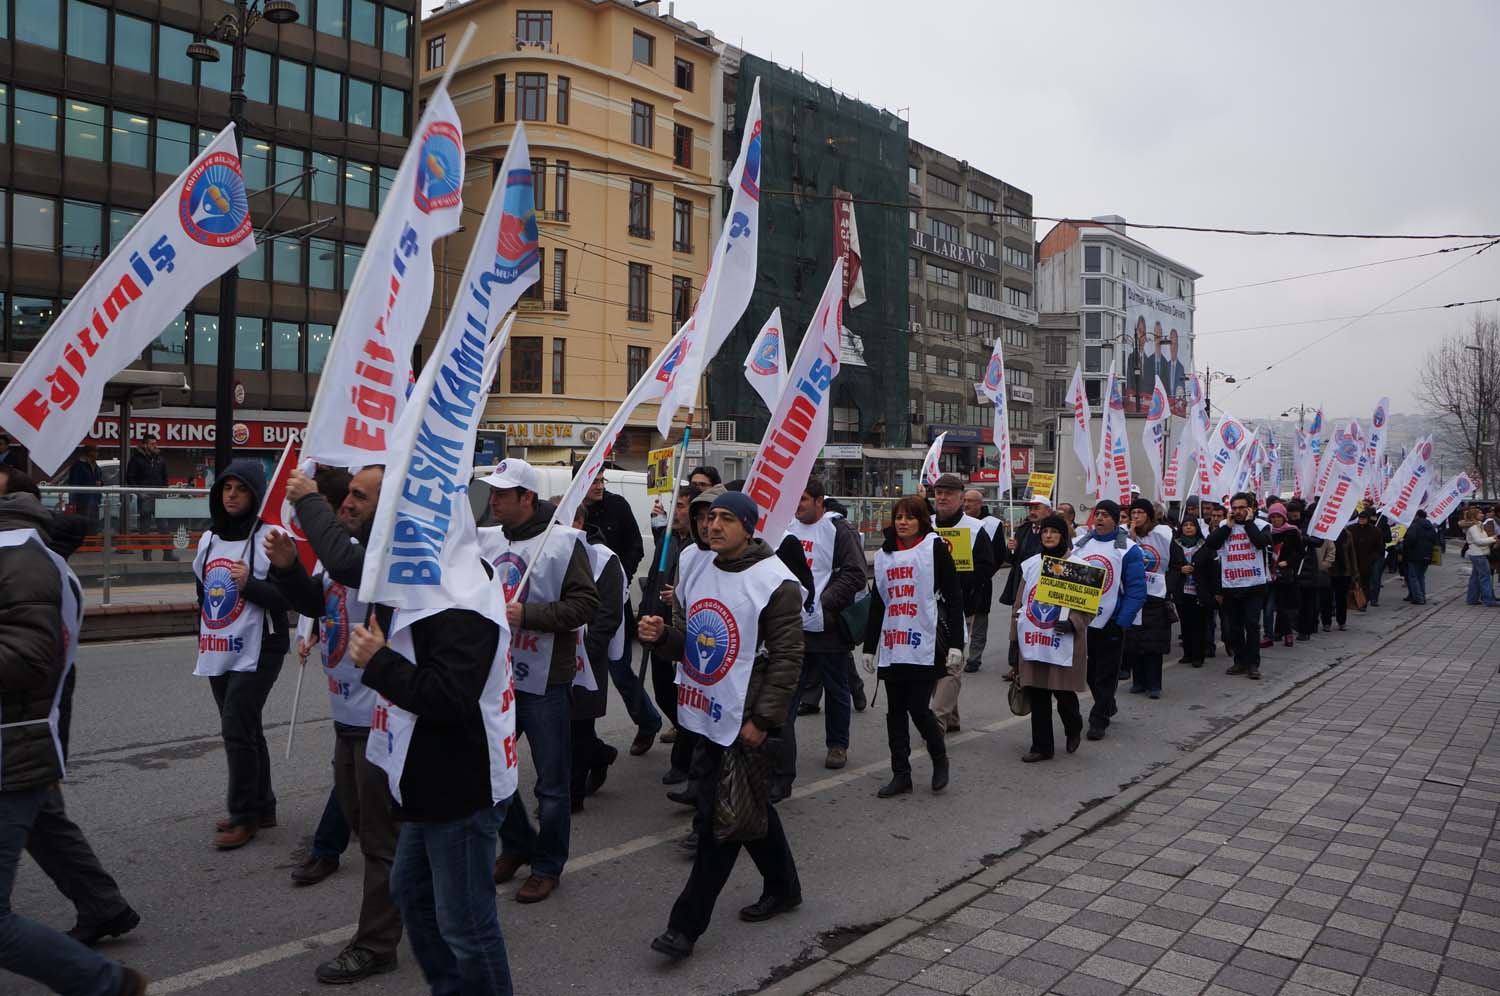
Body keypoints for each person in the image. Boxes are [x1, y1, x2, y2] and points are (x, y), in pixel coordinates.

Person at [638, 492, 803, 961]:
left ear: (748, 527)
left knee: (721, 821)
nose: (713, 526)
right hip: (707, 712)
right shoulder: (698, 569)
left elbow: (788, 659)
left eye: (726, 519)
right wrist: (663, 637)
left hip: (745, 719)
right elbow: (695, 643)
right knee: (749, 806)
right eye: (710, 518)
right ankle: (784, 887)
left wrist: (763, 720)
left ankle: (684, 928)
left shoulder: (775, 582)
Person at [349, 556, 514, 994]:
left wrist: (379, 662)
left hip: (462, 787)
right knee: (413, 894)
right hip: (429, 780)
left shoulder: (463, 594)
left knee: (467, 925)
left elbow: (448, 696)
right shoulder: (429, 575)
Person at [264, 465, 404, 983]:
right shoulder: (346, 552)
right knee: (372, 829)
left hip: (379, 722)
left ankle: (377, 944)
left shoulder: (387, 557)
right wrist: (287, 570)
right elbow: (319, 600)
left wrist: (308, 500)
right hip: (348, 718)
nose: (347, 502)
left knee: (380, 841)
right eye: (345, 494)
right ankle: (428, 902)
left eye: (359, 496)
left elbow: (348, 568)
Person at [17, 510, 142, 954]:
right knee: (42, 818)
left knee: (40, 815)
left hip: (22, 727)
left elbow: (48, 673)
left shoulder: (43, 576)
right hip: (26, 729)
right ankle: (102, 906)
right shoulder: (39, 568)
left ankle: (96, 957)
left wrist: (53, 750)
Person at [479, 459, 599, 904]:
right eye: (491, 492)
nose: (493, 501)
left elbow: (586, 605)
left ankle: (547, 865)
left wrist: (528, 614)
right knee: (492, 770)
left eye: (502, 494)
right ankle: (517, 844)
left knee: (551, 783)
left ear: (526, 498)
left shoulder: (563, 543)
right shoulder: (486, 539)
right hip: (497, 678)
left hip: (546, 680)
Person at [193, 459, 289, 849]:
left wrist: (250, 585)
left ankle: (243, 816)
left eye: (241, 489)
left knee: (236, 726)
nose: (232, 496)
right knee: (245, 727)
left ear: (256, 494)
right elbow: (202, 594)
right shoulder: (209, 539)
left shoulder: (271, 539)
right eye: (226, 488)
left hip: (261, 644)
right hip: (220, 646)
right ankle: (262, 806)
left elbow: (286, 598)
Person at [861, 496, 962, 796]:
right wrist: (869, 647)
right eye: (899, 517)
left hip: (924, 641)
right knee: (894, 712)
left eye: (910, 517)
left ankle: (939, 758)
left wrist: (956, 643)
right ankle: (901, 773)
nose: (903, 522)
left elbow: (954, 596)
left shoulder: (934, 548)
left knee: (918, 709)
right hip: (894, 643)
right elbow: (878, 603)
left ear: (922, 521)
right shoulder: (884, 556)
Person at [780, 479, 865, 780]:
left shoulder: (838, 529)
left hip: (827, 624)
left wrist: (823, 604)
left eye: (803, 499)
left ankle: (838, 745)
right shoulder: (786, 528)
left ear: (819, 501)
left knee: (836, 687)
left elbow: (855, 574)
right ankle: (780, 748)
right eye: (794, 498)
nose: (797, 505)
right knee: (787, 688)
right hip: (792, 624)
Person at [1012, 514, 1094, 761]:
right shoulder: (1030, 565)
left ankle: (1073, 726)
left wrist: (1073, 622)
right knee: (1038, 694)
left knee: (1063, 693)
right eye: (1045, 531)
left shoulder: (1078, 566)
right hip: (1034, 640)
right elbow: (1020, 604)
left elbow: (1089, 608)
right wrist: (1014, 641)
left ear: (1063, 536)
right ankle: (1042, 746)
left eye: (1054, 532)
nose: (1048, 536)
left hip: (1063, 640)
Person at [928, 473, 997, 731]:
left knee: (951, 663)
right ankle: (952, 716)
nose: (942, 498)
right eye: (939, 493)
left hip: (960, 606)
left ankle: (937, 720)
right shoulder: (926, 524)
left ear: (960, 498)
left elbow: (986, 567)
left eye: (949, 494)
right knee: (934, 661)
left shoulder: (975, 528)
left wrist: (956, 580)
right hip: (926, 607)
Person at [1074, 500, 1146, 740]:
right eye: (1097, 514)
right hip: (1083, 621)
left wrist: (1122, 620)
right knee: (1089, 672)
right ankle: (1107, 704)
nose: (1099, 518)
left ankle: (1098, 719)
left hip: (1111, 621)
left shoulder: (1128, 550)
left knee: (1106, 673)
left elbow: (1136, 589)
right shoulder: (1080, 545)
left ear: (1116, 520)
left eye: (1105, 515)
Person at [570, 504, 626, 811]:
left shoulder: (604, 559)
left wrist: (588, 652)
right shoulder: (549, 551)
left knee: (578, 725)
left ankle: (572, 795)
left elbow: (608, 615)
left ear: (580, 521)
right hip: (552, 656)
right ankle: (600, 754)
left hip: (586, 656)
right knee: (562, 726)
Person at [641, 489, 698, 771]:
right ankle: (683, 730)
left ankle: (689, 750)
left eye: (682, 507)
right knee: (663, 691)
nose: (676, 512)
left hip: (683, 630)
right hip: (660, 629)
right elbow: (655, 577)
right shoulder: (668, 539)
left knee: (685, 695)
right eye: (674, 506)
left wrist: (679, 594)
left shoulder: (699, 547)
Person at [1204, 492, 1271, 679]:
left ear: (1251, 508)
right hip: (1231, 585)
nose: (1238, 511)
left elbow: (1261, 543)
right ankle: (1240, 661)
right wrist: (1227, 527)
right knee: (1234, 627)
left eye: (1242, 508)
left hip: (1254, 585)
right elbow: (1211, 543)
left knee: (1252, 625)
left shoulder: (1261, 526)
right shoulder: (1225, 526)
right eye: (1235, 508)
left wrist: (1248, 524)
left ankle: (1253, 664)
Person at [1122, 498, 1179, 699]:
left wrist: (1168, 587)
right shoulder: (1125, 535)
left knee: (1153, 642)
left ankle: (1154, 684)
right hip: (1133, 595)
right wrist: (1130, 539)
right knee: (1135, 640)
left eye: (1140, 512)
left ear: (1149, 515)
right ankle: (1138, 681)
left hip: (1156, 596)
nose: (1136, 516)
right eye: (1133, 513)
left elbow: (1177, 564)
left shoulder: (1164, 534)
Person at [961, 489, 1006, 674]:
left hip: (981, 580)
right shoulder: (959, 521)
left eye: (970, 501)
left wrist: (984, 573)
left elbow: (999, 554)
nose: (966, 504)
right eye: (964, 500)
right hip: (960, 580)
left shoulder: (993, 524)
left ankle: (974, 658)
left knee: (979, 620)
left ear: (980, 503)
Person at [1174, 517, 1212, 667]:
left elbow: (1212, 568)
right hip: (1182, 591)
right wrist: (1180, 569)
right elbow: (1170, 565)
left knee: (1199, 625)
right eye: (1185, 525)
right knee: (1185, 624)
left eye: (1191, 525)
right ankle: (1188, 654)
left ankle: (1198, 656)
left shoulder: (1204, 545)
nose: (1188, 528)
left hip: (1199, 591)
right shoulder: (1175, 545)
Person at [1264, 503, 1303, 647]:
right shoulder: (1266, 531)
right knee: (1268, 609)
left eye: (1278, 516)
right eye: (1272, 517)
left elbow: (1301, 552)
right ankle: (1268, 635)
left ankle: (1288, 634)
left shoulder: (1292, 531)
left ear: (1284, 517)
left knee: (1284, 608)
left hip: (1285, 576)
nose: (1275, 520)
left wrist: (1288, 562)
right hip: (1269, 576)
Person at [124, 435, 168, 560]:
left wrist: (164, 491)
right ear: (145, 445)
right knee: (145, 527)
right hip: (145, 497)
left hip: (159, 496)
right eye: (152, 444)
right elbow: (130, 477)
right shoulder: (136, 459)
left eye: (155, 443)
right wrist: (140, 493)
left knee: (164, 526)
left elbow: (165, 477)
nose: (155, 446)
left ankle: (168, 553)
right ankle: (147, 554)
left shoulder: (160, 459)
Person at [1347, 508, 1385, 609]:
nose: (1361, 520)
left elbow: (1379, 548)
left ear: (1368, 519)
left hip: (1367, 561)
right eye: (1360, 518)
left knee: (1365, 583)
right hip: (1353, 560)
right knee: (1353, 582)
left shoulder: (1375, 531)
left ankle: (1364, 603)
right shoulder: (1351, 529)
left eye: (1363, 519)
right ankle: (1353, 601)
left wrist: (1373, 558)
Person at [1401, 510, 1439, 605]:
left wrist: (1404, 545)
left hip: (1414, 555)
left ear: (1417, 516)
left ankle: (1418, 598)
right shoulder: (1431, 527)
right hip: (1427, 555)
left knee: (1413, 577)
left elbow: (1410, 540)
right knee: (1421, 576)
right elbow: (1436, 541)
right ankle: (1422, 596)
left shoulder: (1415, 526)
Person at [1463, 508, 1497, 606]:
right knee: (1485, 577)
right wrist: (1493, 539)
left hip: (1478, 554)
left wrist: (1491, 538)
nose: (1482, 514)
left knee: (1475, 578)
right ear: (1474, 515)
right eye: (1480, 513)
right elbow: (1478, 541)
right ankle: (1488, 600)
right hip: (1479, 554)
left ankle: (1472, 599)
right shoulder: (1474, 527)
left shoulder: (1477, 525)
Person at [66, 444, 103, 534]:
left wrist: (100, 483)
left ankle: (92, 541)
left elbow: (99, 479)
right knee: (84, 524)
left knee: (93, 524)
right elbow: (74, 484)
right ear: (89, 453)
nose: (97, 453)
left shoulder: (95, 465)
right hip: (83, 500)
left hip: (94, 499)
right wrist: (73, 502)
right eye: (95, 451)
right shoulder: (79, 466)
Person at [1326, 527, 1356, 630]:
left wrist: (1354, 571)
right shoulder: (1326, 533)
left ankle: (1342, 622)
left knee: (1342, 598)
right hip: (1329, 571)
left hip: (1344, 571)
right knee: (1327, 598)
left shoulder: (1347, 534)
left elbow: (1351, 553)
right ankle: (1326, 622)